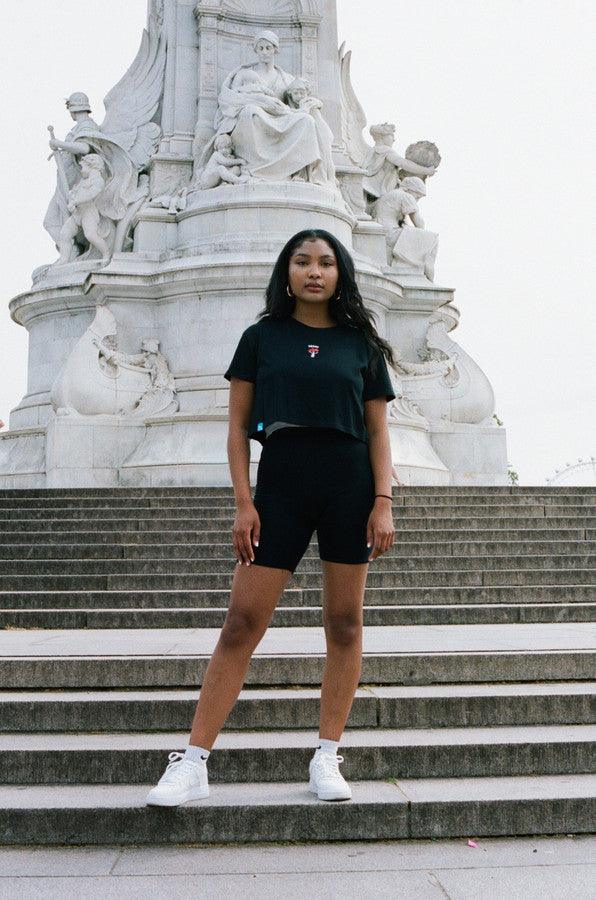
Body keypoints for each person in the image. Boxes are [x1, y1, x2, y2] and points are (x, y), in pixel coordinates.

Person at [146, 228, 397, 808]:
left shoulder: (362, 344)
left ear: (341, 274)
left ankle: (327, 754)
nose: (315, 271)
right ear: (287, 271)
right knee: (242, 622)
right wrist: (243, 501)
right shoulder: (261, 338)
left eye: (327, 262)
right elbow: (237, 428)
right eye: (303, 261)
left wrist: (383, 501)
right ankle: (194, 760)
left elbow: (380, 430)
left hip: (349, 484)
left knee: (344, 623)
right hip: (281, 481)